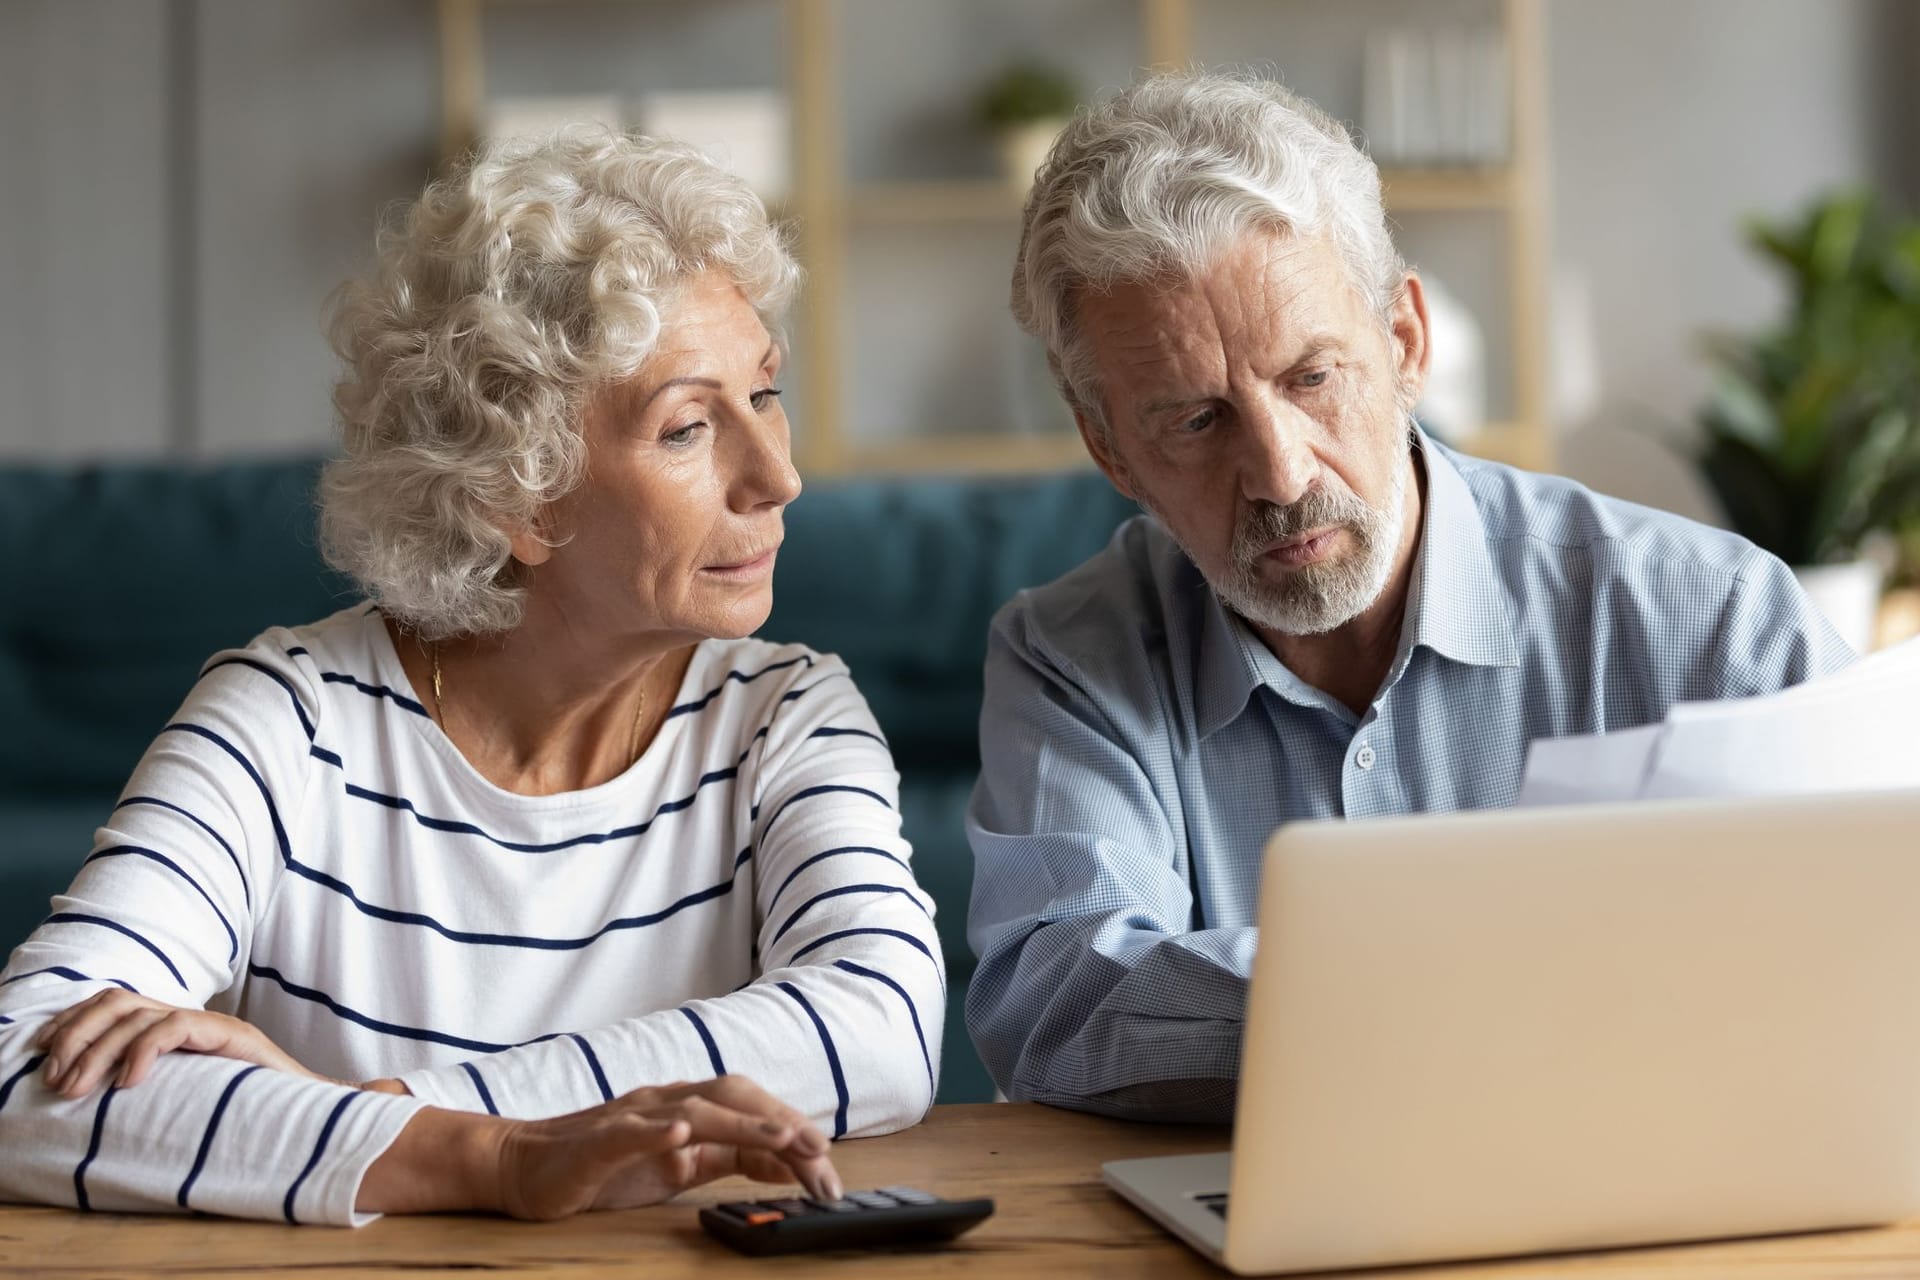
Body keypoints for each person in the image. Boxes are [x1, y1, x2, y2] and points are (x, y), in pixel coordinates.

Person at [0, 132, 943, 1223]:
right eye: (688, 426)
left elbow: (878, 1024)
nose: (777, 474)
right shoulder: (288, 718)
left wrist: (368, 1115)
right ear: (520, 498)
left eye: (765, 393)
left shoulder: (787, 714)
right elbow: (26, 1070)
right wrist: (494, 1159)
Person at [965, 72, 1854, 1122]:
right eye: (1197, 421)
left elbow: (1876, 947)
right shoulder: (1068, 657)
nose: (1283, 476)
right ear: (1109, 446)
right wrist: (1503, 986)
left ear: (1405, 344)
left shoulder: (1716, 620)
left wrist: (1377, 998)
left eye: (1312, 377)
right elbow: (1061, 1001)